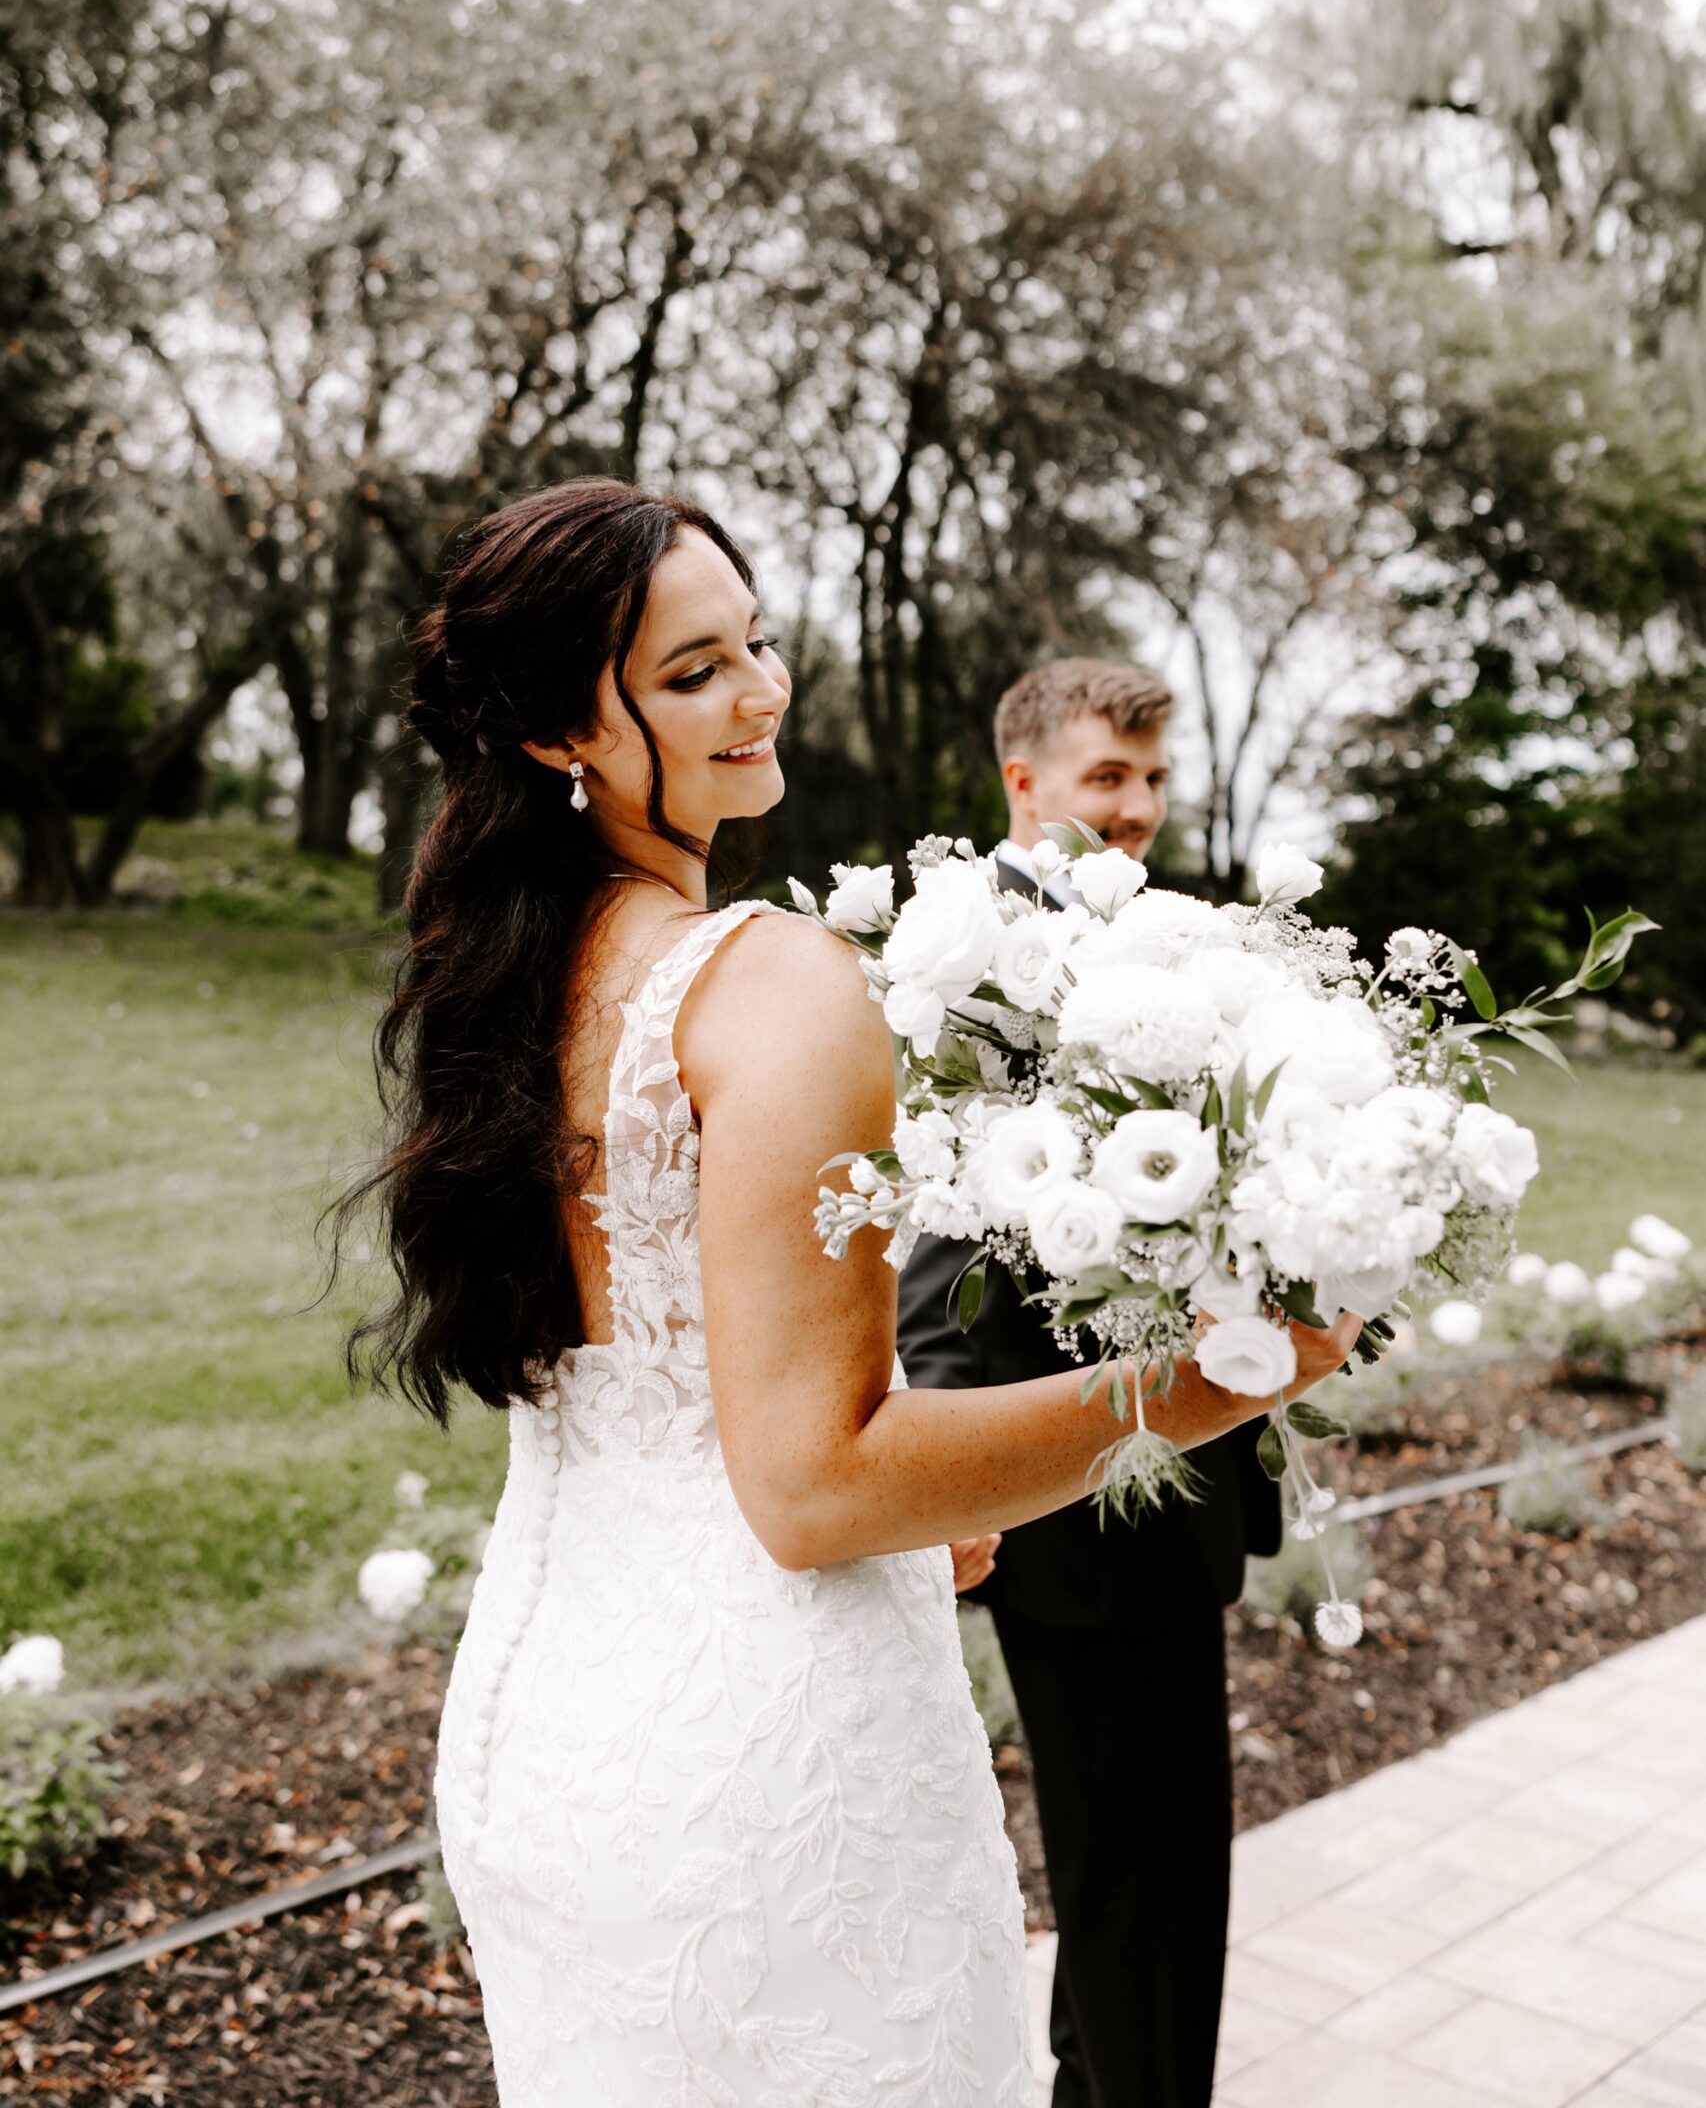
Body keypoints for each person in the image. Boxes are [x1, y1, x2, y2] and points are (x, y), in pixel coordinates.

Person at [336, 487, 1356, 2108]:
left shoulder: (505, 984)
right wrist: (1214, 1383)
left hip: (552, 1728)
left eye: (757, 644)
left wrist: (934, 1484)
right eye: (691, 672)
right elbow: (811, 1487)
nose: (758, 694)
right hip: (773, 1763)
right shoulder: (772, 984)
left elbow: (675, 1383)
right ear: (554, 732)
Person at [897, 657, 1281, 2108]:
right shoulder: (976, 966)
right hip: (1070, 1497)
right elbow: (931, 1229)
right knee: (1137, 1881)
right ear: (1023, 784)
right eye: (1104, 777)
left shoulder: (1177, 944)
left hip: (1181, 1486)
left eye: (1150, 780)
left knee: (1165, 1874)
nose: (1133, 808)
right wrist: (945, 1461)